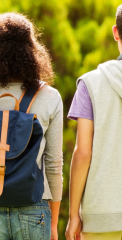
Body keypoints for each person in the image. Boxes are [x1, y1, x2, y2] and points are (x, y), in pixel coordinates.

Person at [0, 13, 63, 240]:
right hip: (35, 208)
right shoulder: (49, 97)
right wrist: (53, 222)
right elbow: (54, 165)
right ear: (30, 47)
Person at [65, 5, 122, 240]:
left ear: (115, 32)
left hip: (101, 217)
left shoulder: (91, 84)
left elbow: (83, 153)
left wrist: (73, 214)